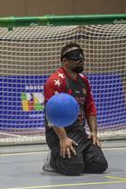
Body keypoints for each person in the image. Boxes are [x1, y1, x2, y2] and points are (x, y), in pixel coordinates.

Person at [42, 43, 108, 176]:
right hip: (58, 133)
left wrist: (94, 132)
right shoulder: (55, 82)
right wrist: (63, 138)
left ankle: (76, 158)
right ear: (65, 61)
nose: (81, 61)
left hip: (79, 131)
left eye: (82, 59)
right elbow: (51, 114)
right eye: (76, 59)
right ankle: (53, 160)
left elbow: (90, 107)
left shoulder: (83, 80)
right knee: (73, 169)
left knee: (100, 164)